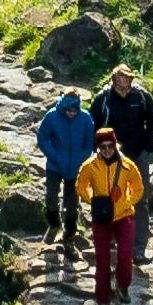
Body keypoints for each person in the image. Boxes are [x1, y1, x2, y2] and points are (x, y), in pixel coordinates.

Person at [74, 128, 151, 305]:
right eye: (103, 147)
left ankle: (122, 285)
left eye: (110, 146)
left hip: (124, 216)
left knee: (125, 255)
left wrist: (127, 202)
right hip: (101, 218)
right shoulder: (89, 166)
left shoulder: (127, 165)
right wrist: (92, 200)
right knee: (102, 259)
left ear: (116, 145)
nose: (107, 150)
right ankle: (102, 299)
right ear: (98, 148)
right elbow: (80, 186)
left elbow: (139, 188)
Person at [33, 86, 102, 256]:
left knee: (72, 205)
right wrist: (54, 155)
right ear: (63, 105)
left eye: (74, 110)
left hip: (76, 168)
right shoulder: (52, 116)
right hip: (55, 165)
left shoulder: (86, 119)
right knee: (51, 196)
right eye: (69, 110)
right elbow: (42, 138)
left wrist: (82, 159)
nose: (71, 113)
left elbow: (89, 143)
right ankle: (54, 224)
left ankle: (69, 237)